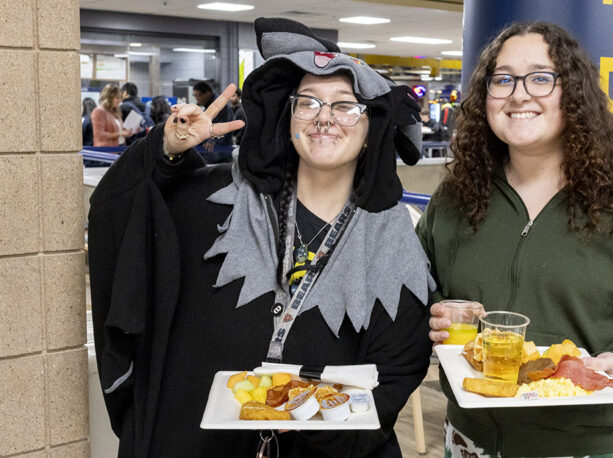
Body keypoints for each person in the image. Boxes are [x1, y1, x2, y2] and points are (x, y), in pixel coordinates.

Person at [89, 17, 433, 457]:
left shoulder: (392, 239)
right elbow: (118, 208)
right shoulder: (215, 200)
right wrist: (166, 148)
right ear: (289, 119)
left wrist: (326, 425)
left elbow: (397, 370)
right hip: (193, 440)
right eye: (308, 102)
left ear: (370, 133)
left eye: (346, 106)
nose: (324, 118)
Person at [416, 22, 613, 458]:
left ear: (573, 92)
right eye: (502, 79)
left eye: (541, 77)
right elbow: (416, 288)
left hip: (600, 443)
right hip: (473, 440)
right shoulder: (455, 198)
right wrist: (438, 309)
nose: (519, 93)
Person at [193, 80, 235, 150]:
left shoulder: (219, 105)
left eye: (199, 95)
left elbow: (224, 127)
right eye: (195, 96)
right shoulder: (208, 105)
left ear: (208, 93)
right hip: (211, 146)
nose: (197, 99)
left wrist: (212, 140)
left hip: (220, 149)